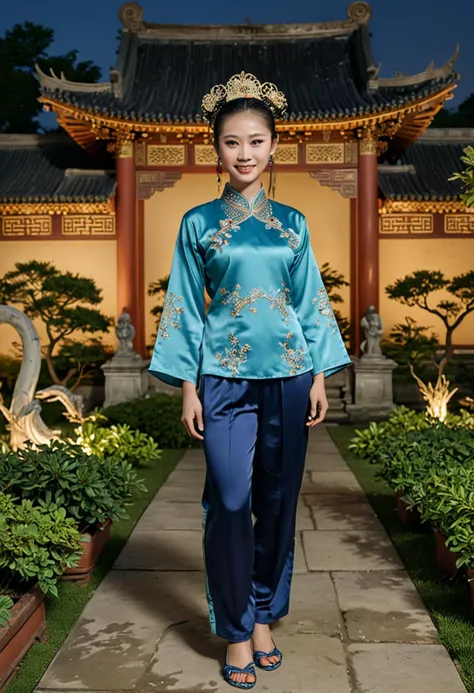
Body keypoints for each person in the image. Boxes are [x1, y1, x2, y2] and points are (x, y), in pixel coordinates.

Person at [149, 71, 351, 689]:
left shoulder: (293, 222)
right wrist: (187, 383)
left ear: (273, 147)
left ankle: (263, 614)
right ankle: (235, 629)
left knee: (278, 501)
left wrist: (317, 372)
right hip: (224, 379)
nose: (245, 154)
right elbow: (183, 302)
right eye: (233, 142)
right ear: (216, 148)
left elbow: (309, 299)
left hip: (291, 376)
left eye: (256, 141)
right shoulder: (197, 223)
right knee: (231, 502)